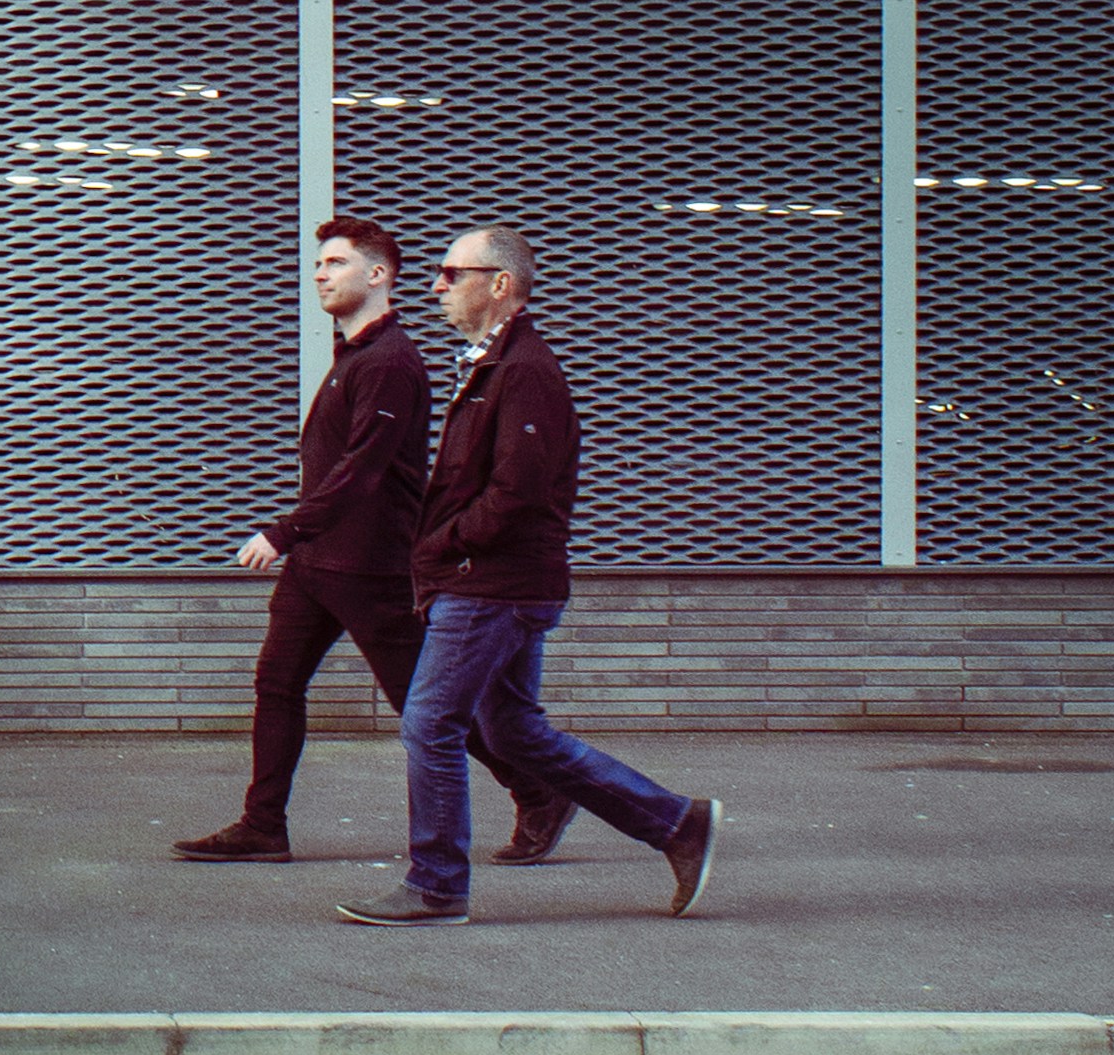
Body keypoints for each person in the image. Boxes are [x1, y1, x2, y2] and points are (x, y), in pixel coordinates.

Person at [333, 218, 717, 927]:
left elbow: (516, 493)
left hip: (491, 584)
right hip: (490, 580)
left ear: (499, 284)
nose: (436, 286)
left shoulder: (524, 372)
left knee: (429, 722)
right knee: (511, 731)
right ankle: (677, 823)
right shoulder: (490, 363)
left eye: (452, 274)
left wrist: (439, 547)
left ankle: (437, 883)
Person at [175, 214, 550, 868]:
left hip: (371, 567)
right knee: (277, 682)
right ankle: (263, 823)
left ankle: (537, 791)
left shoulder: (391, 362)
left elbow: (362, 469)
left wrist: (283, 529)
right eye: (319, 263)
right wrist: (301, 542)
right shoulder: (353, 355)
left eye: (336, 262)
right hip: (317, 566)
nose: (320, 273)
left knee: (426, 707)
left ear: (377, 275)